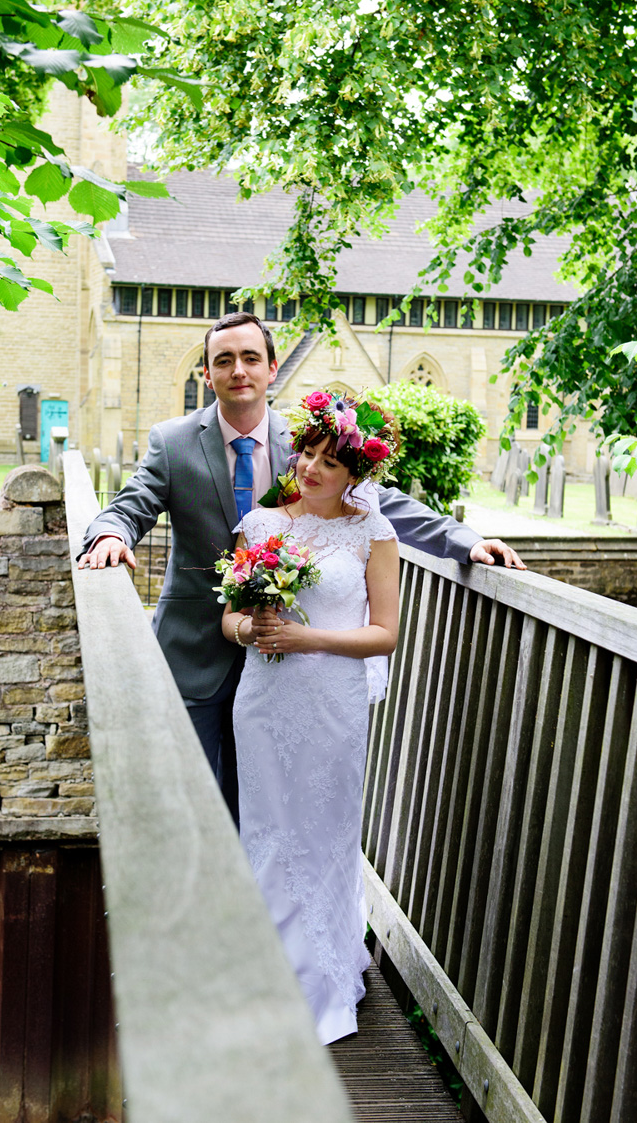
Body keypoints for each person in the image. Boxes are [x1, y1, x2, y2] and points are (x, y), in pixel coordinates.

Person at [77, 312, 525, 820]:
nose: (238, 370)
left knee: (268, 807)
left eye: (250, 358)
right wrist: (111, 534)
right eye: (223, 360)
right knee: (191, 802)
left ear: (272, 367)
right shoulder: (172, 441)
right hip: (197, 648)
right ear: (207, 374)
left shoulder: (308, 443)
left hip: (286, 671)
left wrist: (463, 540)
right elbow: (133, 501)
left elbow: (384, 504)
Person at [221, 389, 401, 1044]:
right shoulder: (262, 526)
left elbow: (383, 633)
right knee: (266, 831)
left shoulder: (371, 533)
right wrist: (251, 629)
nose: (313, 467)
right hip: (265, 700)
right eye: (307, 452)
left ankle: (320, 980)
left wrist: (310, 640)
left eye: (330, 459)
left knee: (323, 830)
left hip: (333, 699)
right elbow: (229, 616)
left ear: (356, 471)